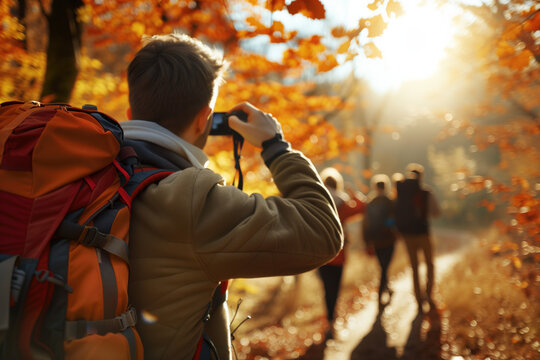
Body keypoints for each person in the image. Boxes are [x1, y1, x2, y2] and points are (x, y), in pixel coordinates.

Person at [121, 34, 343, 360]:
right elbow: (323, 231)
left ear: (130, 111)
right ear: (204, 120)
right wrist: (276, 146)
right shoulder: (191, 202)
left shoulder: (82, 173)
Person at [318, 167, 365, 339]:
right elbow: (362, 207)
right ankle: (332, 321)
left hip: (320, 254)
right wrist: (354, 194)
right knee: (335, 288)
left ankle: (328, 320)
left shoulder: (318, 200)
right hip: (339, 252)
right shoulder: (343, 203)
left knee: (325, 288)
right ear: (338, 184)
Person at [395, 163, 440, 313]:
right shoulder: (427, 192)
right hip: (423, 233)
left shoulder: (401, 192)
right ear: (421, 176)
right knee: (429, 264)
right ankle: (428, 294)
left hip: (407, 235)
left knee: (414, 267)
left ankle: (418, 300)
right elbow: (436, 213)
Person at [362, 174, 398, 309]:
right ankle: (380, 294)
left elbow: (365, 224)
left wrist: (367, 242)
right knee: (385, 267)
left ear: (374, 187)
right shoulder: (391, 202)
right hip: (389, 239)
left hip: (376, 240)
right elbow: (395, 221)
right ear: (386, 187)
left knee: (383, 267)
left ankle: (386, 290)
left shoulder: (370, 203)